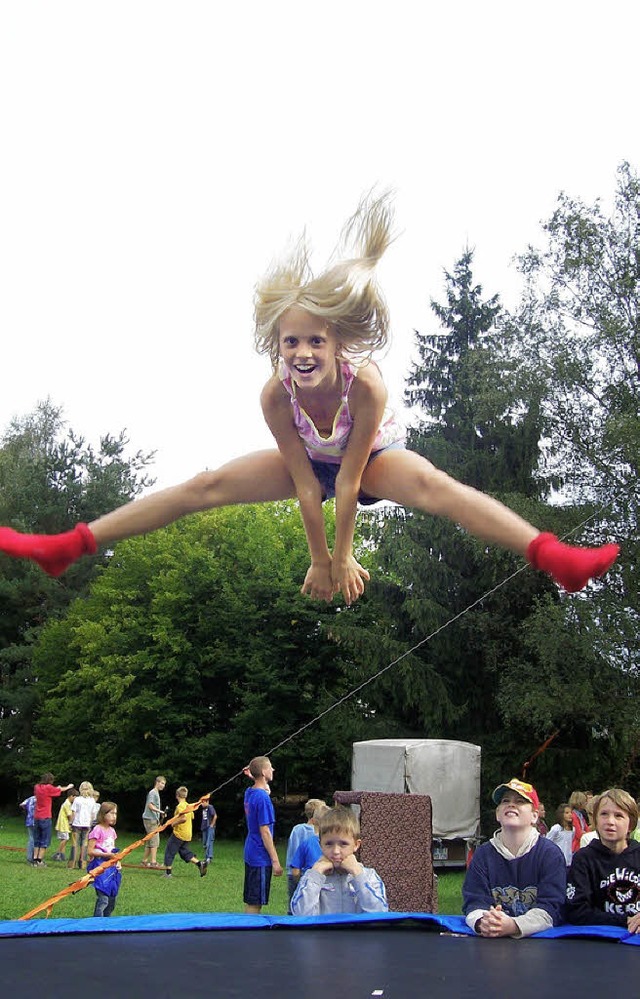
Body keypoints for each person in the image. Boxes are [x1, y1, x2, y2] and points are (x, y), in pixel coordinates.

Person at [0, 197, 619, 606]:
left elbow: (347, 485)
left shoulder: (365, 386)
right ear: (277, 346)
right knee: (205, 485)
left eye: (314, 340)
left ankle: (551, 555)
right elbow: (307, 484)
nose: (301, 351)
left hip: (367, 460)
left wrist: (341, 558)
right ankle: (70, 545)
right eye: (289, 340)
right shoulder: (275, 396)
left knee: (436, 487)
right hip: (314, 466)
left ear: (337, 343)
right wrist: (319, 562)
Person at [462, 778, 566, 938]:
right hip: (491, 947)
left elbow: (552, 907)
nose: (511, 804)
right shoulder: (483, 855)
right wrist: (484, 922)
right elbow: (474, 902)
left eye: (520, 801)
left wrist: (513, 925)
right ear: (498, 814)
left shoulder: (550, 854)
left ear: (534, 816)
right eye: (505, 801)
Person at [565, 788, 640, 932]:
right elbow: (576, 910)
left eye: (619, 816)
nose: (610, 821)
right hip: (600, 940)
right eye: (604, 814)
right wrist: (626, 920)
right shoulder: (584, 859)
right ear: (596, 820)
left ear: (630, 824)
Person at [290, 805, 388, 916]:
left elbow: (380, 912)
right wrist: (315, 874)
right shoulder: (312, 877)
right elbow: (299, 914)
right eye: (329, 844)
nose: (336, 851)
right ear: (320, 845)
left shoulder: (369, 876)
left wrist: (357, 874)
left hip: (358, 933)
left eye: (343, 844)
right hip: (323, 933)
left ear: (356, 845)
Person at [243, 756, 283, 914]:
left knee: (252, 900)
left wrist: (252, 774)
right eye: (270, 767)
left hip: (251, 851)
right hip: (260, 855)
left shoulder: (250, 792)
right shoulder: (263, 799)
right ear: (264, 772)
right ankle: (250, 936)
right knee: (255, 903)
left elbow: (261, 785)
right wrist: (275, 861)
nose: (273, 770)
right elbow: (265, 832)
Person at [285, 798, 327, 909]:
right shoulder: (318, 836)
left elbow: (293, 850)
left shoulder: (297, 829)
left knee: (294, 904)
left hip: (295, 871)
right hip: (310, 874)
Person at [163, 786, 208, 878]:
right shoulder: (189, 806)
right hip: (188, 834)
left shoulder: (180, 806)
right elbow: (192, 817)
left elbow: (183, 818)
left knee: (169, 850)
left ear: (177, 795)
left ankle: (168, 873)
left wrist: (173, 823)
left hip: (179, 833)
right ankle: (200, 863)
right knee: (184, 852)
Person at [87, 801, 122, 917]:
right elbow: (90, 851)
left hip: (112, 868)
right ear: (103, 814)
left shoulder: (112, 831)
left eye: (115, 814)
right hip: (100, 867)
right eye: (111, 813)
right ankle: (97, 923)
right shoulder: (97, 829)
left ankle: (107, 922)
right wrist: (106, 855)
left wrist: (118, 861)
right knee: (103, 899)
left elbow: (113, 849)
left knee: (112, 900)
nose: (114, 816)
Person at [32, 773, 74, 867]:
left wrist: (55, 788)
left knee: (37, 839)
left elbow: (53, 790)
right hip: (45, 816)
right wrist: (68, 787)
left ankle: (34, 859)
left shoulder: (37, 787)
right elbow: (59, 790)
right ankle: (40, 860)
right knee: (44, 839)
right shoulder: (49, 788)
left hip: (37, 816)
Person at [70, 781, 97, 870]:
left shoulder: (77, 799)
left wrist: (70, 822)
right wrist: (91, 823)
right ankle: (83, 864)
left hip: (77, 824)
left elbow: (73, 812)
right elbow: (93, 814)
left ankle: (72, 863)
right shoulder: (92, 800)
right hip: (87, 824)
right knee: (84, 845)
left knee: (75, 844)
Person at [142, 775, 167, 867]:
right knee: (154, 840)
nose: (163, 786)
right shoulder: (153, 793)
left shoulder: (156, 793)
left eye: (164, 784)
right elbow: (150, 806)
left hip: (152, 819)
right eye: (162, 783)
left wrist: (160, 815)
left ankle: (144, 861)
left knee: (150, 841)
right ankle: (153, 862)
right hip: (150, 819)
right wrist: (161, 811)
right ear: (157, 782)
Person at [52, 787, 78, 861]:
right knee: (65, 839)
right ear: (71, 796)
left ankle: (62, 855)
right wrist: (71, 823)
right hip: (63, 824)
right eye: (75, 797)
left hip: (63, 824)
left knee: (63, 839)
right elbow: (69, 815)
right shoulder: (67, 804)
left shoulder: (68, 803)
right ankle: (57, 853)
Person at [19, 793, 37, 864]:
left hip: (29, 820)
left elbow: (22, 804)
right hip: (37, 821)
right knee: (36, 839)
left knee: (31, 838)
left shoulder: (30, 798)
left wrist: (27, 809)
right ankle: (33, 857)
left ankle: (29, 857)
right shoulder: (40, 799)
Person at [200, 798, 217, 864]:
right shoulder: (203, 808)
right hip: (204, 827)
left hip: (209, 827)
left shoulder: (210, 807)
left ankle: (209, 858)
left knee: (209, 842)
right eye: (201, 802)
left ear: (207, 802)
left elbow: (215, 816)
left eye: (203, 802)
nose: (201, 804)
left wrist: (212, 825)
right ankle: (207, 857)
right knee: (204, 843)